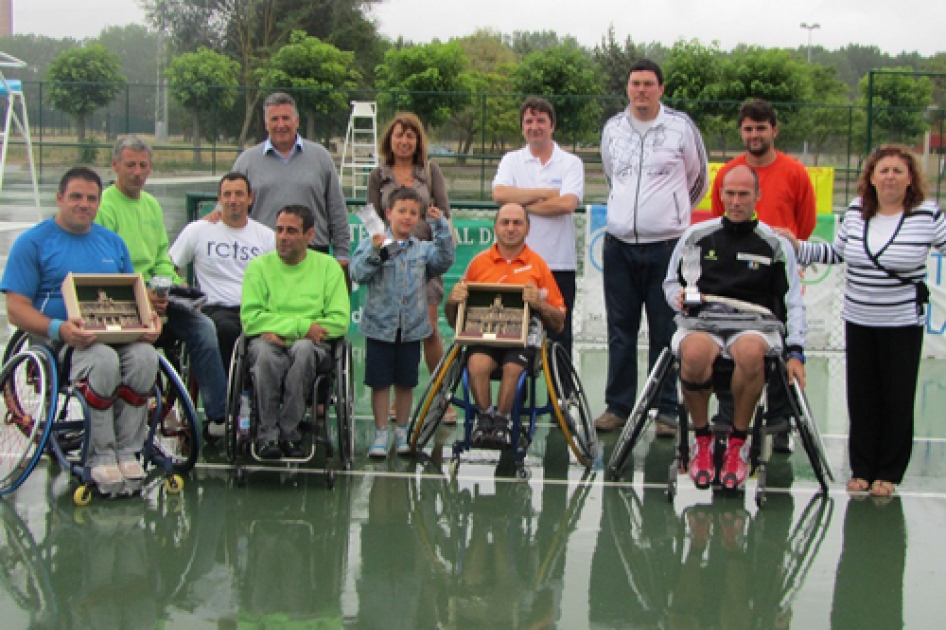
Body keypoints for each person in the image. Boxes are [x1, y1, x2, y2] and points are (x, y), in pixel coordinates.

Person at [780, 144, 946, 497]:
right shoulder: (856, 212)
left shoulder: (927, 215)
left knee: (897, 399)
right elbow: (835, 253)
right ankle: (862, 468)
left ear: (910, 179)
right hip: (859, 320)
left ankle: (888, 472)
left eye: (897, 171)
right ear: (870, 177)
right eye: (883, 170)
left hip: (902, 323)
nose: (889, 177)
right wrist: (797, 246)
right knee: (863, 397)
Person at [0, 167, 161, 495]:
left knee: (145, 356)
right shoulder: (32, 243)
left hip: (115, 336)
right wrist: (59, 329)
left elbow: (133, 295)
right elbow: (16, 309)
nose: (83, 204)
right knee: (102, 360)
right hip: (58, 343)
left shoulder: (112, 243)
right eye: (75, 196)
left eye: (91, 198)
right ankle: (99, 455)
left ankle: (129, 449)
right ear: (59, 198)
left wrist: (149, 323)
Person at [665, 165, 806, 490]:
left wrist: (797, 350)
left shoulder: (774, 244)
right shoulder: (696, 236)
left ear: (757, 196)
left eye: (744, 194)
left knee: (752, 352)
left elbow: (794, 301)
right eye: (730, 193)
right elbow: (671, 283)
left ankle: (737, 444)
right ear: (721, 195)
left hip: (755, 324)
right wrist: (679, 298)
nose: (736, 201)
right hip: (703, 320)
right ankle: (702, 441)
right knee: (695, 352)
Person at [597, 58, 710, 437]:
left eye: (648, 84)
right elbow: (613, 175)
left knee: (665, 329)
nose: (641, 90)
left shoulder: (681, 127)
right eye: (635, 84)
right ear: (627, 89)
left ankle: (664, 411)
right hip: (618, 248)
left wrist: (669, 217)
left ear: (661, 88)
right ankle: (618, 406)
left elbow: (698, 181)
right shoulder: (613, 129)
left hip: (667, 249)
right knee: (620, 330)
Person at [96, 134, 229, 439]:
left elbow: (161, 259)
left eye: (143, 165)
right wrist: (144, 294)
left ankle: (218, 416)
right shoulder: (105, 206)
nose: (137, 172)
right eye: (130, 165)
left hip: (156, 297)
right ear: (116, 165)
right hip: (123, 301)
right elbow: (108, 266)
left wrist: (169, 286)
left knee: (204, 328)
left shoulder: (152, 205)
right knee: (141, 348)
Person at [710, 99, 817, 453]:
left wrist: (785, 245)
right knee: (734, 350)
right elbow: (719, 223)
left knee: (780, 348)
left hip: (777, 278)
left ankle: (779, 423)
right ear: (741, 131)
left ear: (774, 129)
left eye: (761, 128)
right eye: (748, 129)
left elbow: (806, 223)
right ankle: (728, 417)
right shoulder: (730, 172)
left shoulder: (795, 172)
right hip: (738, 285)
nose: (754, 135)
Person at [445, 203, 565, 446]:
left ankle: (503, 422)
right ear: (495, 228)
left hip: (521, 339)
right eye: (505, 222)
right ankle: (486, 418)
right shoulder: (478, 264)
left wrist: (540, 305)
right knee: (477, 364)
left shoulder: (538, 266)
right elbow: (453, 320)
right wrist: (451, 302)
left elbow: (559, 322)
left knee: (513, 368)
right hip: (486, 335)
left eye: (517, 223)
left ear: (528, 229)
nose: (511, 228)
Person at [351, 187, 455, 458]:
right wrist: (375, 251)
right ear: (388, 213)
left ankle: (402, 431)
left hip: (412, 329)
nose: (407, 218)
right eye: (402, 212)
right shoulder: (374, 243)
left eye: (413, 213)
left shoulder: (423, 249)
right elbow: (358, 273)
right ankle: (381, 432)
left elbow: (445, 259)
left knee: (406, 383)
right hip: (379, 328)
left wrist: (440, 225)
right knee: (380, 383)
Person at [240, 205, 350, 460]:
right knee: (265, 355)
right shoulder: (258, 268)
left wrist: (284, 331)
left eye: (291, 231)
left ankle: (289, 432)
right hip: (268, 343)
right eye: (279, 230)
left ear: (309, 235)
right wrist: (301, 328)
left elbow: (339, 322)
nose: (283, 237)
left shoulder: (329, 268)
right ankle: (267, 435)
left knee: (302, 350)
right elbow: (250, 319)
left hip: (311, 347)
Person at [366, 112, 454, 420]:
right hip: (391, 266)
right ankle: (396, 405)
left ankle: (442, 399)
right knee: (393, 334)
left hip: (423, 263)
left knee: (428, 331)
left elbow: (443, 213)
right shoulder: (379, 175)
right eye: (399, 135)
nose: (404, 141)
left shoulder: (430, 172)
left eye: (410, 135)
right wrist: (384, 250)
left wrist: (434, 221)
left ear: (418, 141)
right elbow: (374, 219)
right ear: (389, 139)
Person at [492, 96, 584, 358]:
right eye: (528, 121)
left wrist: (521, 206)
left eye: (541, 120)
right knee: (514, 339)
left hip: (559, 265)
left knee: (560, 338)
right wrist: (544, 193)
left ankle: (563, 398)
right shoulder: (511, 160)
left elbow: (567, 203)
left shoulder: (571, 163)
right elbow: (499, 195)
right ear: (522, 127)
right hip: (518, 265)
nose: (535, 126)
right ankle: (519, 397)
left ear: (552, 125)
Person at [169, 172, 275, 374]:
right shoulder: (198, 230)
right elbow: (169, 265)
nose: (233, 200)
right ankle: (231, 395)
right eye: (227, 195)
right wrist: (180, 285)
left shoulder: (266, 237)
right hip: (214, 308)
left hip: (255, 310)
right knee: (227, 331)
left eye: (239, 194)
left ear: (250, 198)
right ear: (219, 199)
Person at [232, 91, 350, 268]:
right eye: (275, 119)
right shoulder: (246, 161)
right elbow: (231, 206)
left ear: (297, 121)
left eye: (286, 118)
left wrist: (342, 253)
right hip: (264, 256)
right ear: (266, 124)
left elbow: (336, 210)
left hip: (314, 254)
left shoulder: (321, 157)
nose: (281, 125)